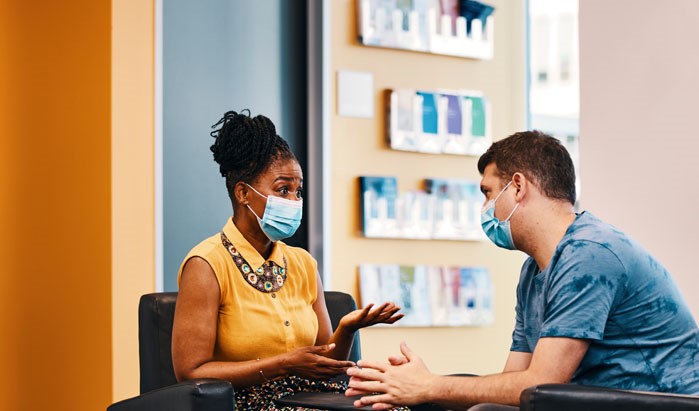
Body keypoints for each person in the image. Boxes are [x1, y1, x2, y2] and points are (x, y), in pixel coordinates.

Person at [345, 130, 699, 410]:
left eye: (487, 193)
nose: (485, 207)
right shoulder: (535, 271)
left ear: (517, 186)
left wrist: (430, 386)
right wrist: (415, 386)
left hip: (663, 403)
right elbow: (514, 383)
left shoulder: (589, 254)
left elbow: (541, 384)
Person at [171, 110, 403, 410]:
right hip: (244, 402)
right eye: (283, 190)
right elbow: (191, 372)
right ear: (243, 193)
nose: (294, 201)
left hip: (310, 398)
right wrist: (283, 364)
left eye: (298, 191)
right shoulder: (206, 264)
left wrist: (346, 329)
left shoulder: (303, 263)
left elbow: (325, 365)